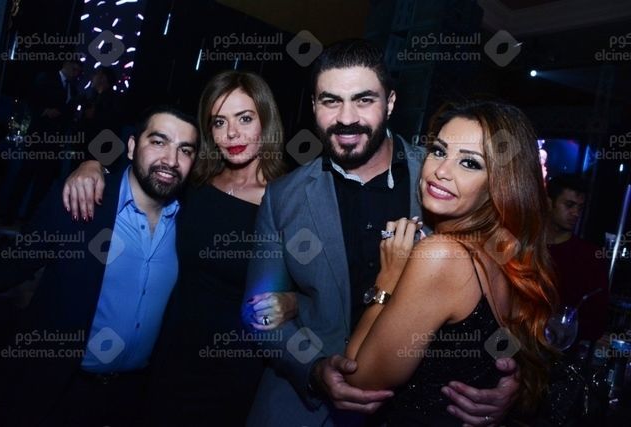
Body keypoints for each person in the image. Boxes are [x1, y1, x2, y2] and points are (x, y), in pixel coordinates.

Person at [242, 39, 519, 426]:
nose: (347, 117)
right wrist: (314, 370)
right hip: (302, 412)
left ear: (389, 103)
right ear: (314, 106)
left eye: (364, 100)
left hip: (411, 408)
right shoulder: (283, 197)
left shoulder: (444, 178)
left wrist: (508, 377)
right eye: (330, 101)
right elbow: (257, 315)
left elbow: (506, 288)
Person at [60, 70, 293, 425]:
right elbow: (149, 166)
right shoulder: (196, 182)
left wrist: (293, 302)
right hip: (165, 354)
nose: (232, 133)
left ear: (266, 120)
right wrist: (93, 166)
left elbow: (320, 286)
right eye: (219, 122)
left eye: (245, 118)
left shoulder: (288, 199)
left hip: (231, 368)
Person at [342, 99, 558, 425]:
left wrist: (387, 281)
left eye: (470, 163)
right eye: (439, 151)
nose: (441, 171)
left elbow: (358, 380)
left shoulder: (441, 255)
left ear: (500, 184)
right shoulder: (503, 253)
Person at [0, 105, 199, 426]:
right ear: (132, 147)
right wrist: (91, 164)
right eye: (159, 142)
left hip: (133, 399)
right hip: (60, 391)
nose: (171, 160)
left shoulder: (190, 223)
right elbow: (7, 270)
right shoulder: (81, 199)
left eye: (184, 150)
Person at [2, 60, 83, 224]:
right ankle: (9, 215)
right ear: (66, 65)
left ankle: (30, 219)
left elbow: (68, 113)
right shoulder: (46, 78)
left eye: (78, 71)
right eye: (74, 69)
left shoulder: (73, 89)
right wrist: (44, 111)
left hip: (55, 141)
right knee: (25, 176)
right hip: (38, 136)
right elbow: (32, 100)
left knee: (43, 181)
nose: (75, 73)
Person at [546, 174, 609, 352]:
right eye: (569, 205)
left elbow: (596, 323)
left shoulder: (590, 257)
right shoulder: (526, 247)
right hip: (513, 348)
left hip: (559, 355)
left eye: (580, 208)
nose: (576, 213)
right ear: (548, 203)